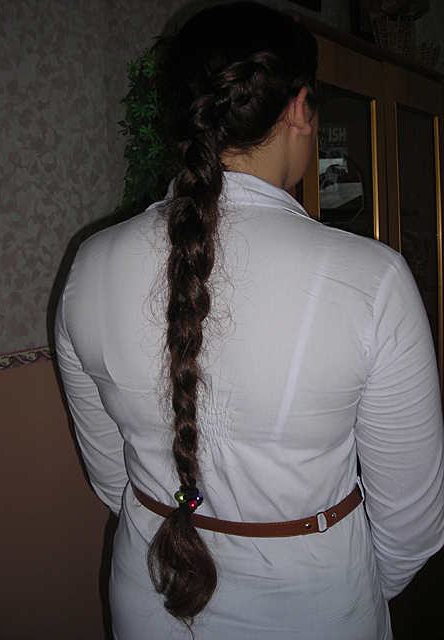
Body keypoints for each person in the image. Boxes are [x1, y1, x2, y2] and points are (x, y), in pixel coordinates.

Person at [55, 3, 444, 639]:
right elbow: (412, 527)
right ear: (299, 108)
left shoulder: (89, 265)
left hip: (150, 597)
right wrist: (341, 585)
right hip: (316, 612)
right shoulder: (373, 279)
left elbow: (110, 477)